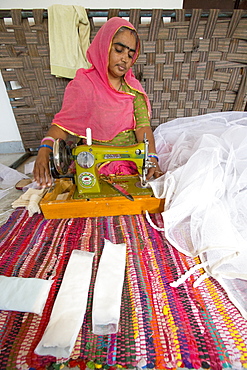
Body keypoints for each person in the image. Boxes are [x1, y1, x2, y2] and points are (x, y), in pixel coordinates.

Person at [34, 17, 163, 187]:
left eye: (131, 55)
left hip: (127, 161)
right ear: (104, 47)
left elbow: (143, 127)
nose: (125, 58)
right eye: (119, 50)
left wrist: (152, 157)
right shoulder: (83, 84)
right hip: (91, 161)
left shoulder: (133, 90)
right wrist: (45, 148)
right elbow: (63, 125)